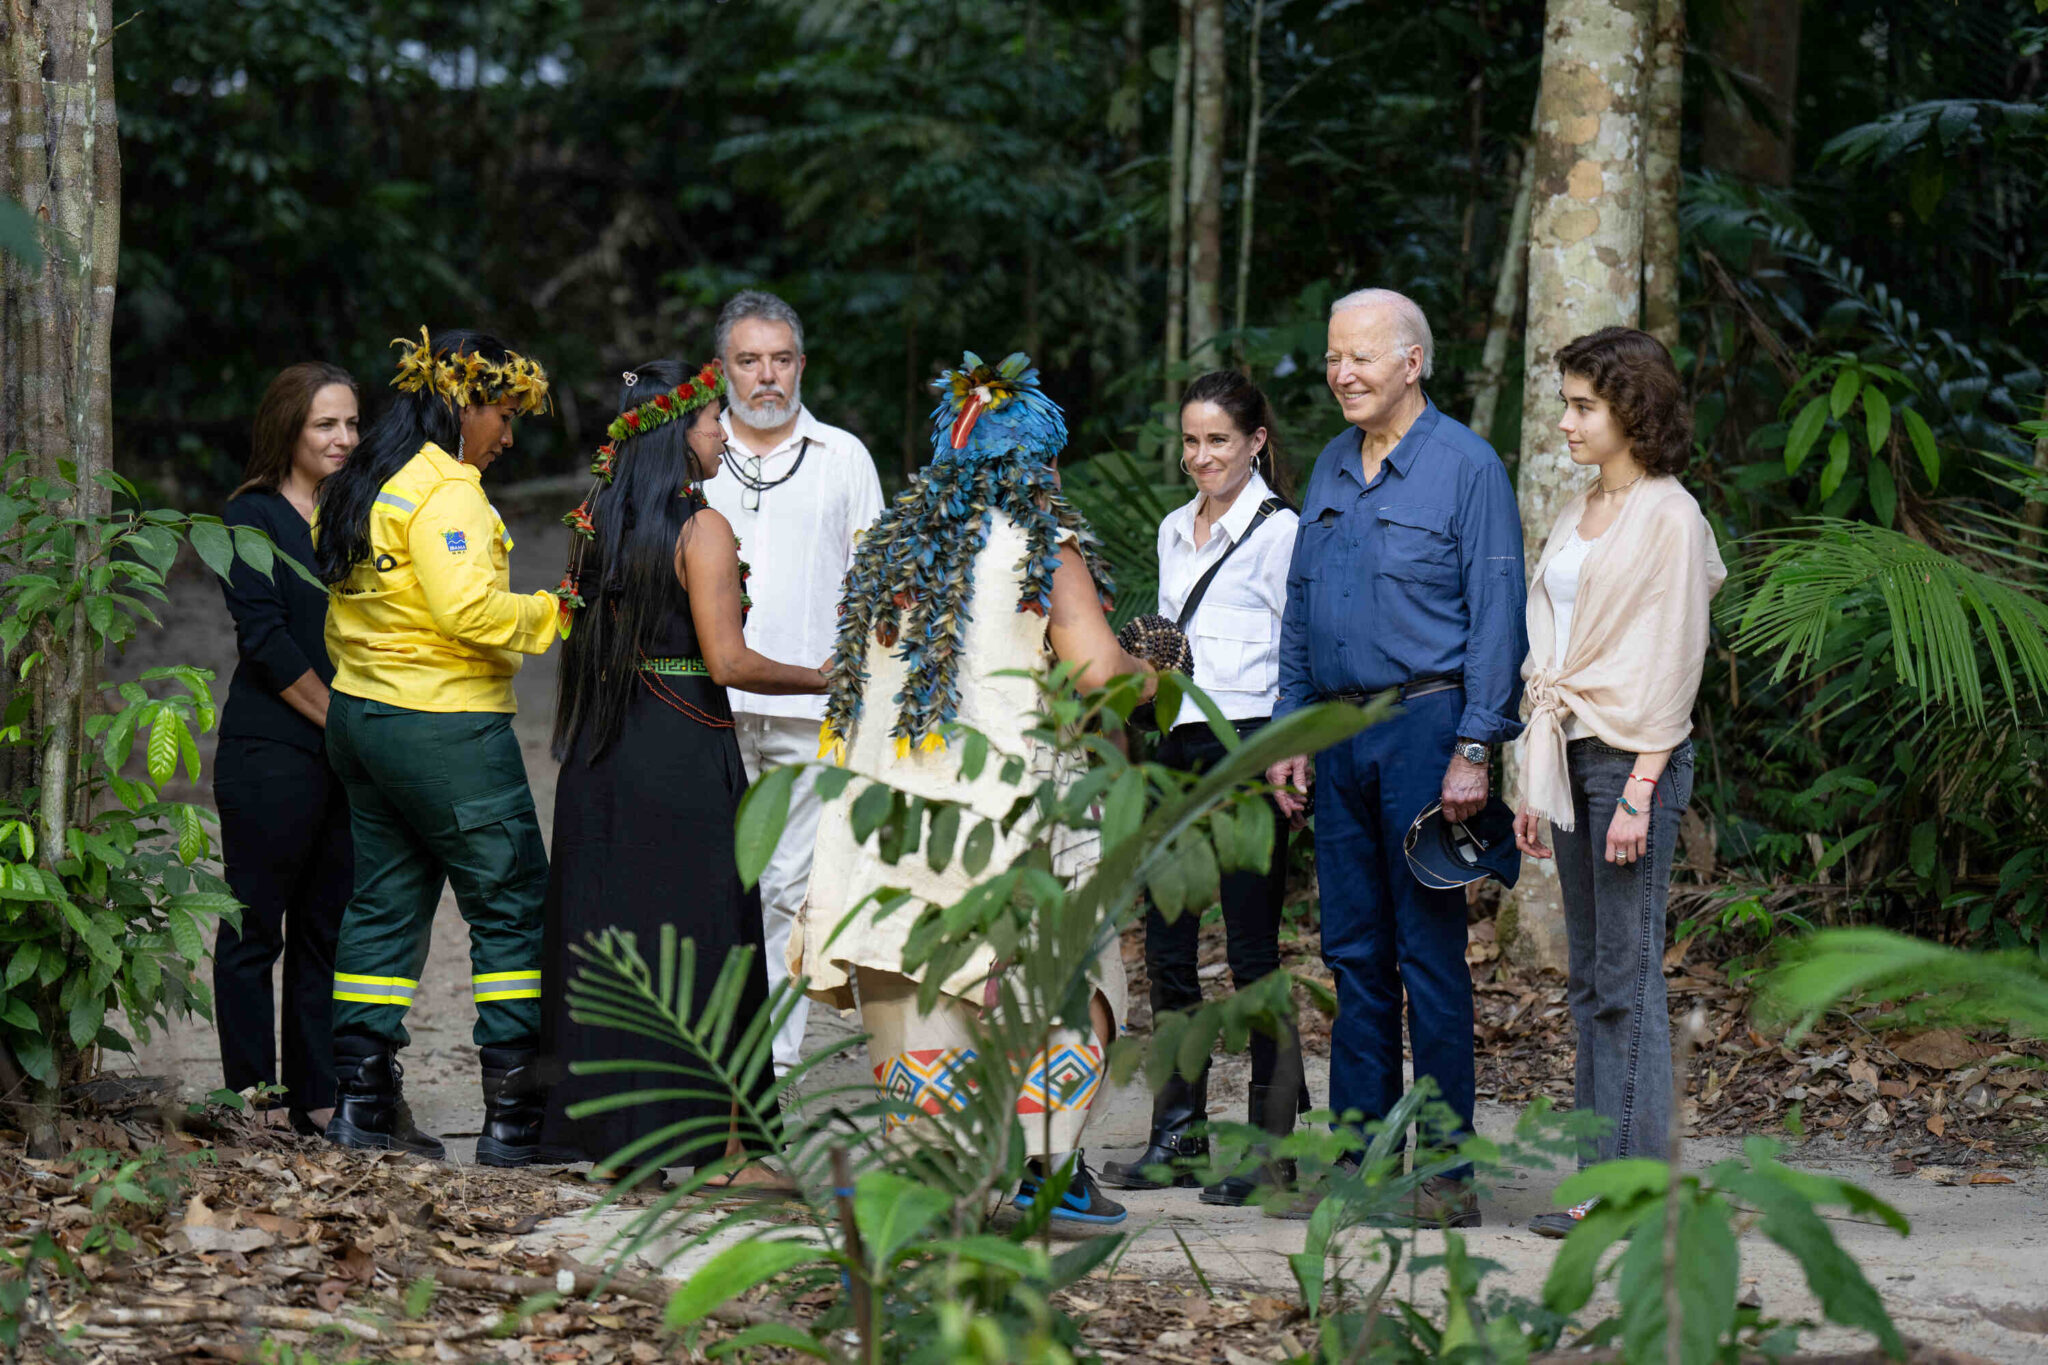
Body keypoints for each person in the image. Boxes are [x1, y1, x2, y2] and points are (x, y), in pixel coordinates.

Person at [798, 351, 1154, 1226]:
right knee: (1067, 982)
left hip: (886, 818)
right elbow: (1100, 673)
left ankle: (930, 1178)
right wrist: (1153, 665)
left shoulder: (888, 552)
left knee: (913, 977)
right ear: (1040, 464)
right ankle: (1051, 1173)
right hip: (1008, 815)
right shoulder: (1039, 541)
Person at [1264, 289, 1527, 1227]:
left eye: (1361, 358)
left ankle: (1446, 1170)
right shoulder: (1333, 463)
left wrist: (1474, 747)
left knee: (1429, 955)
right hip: (1335, 734)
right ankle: (1360, 1157)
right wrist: (1291, 731)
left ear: (1412, 362)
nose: (1342, 373)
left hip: (1428, 727)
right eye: (1334, 356)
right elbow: (1301, 608)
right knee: (1352, 952)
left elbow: (1499, 614)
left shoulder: (1467, 467)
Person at [539, 358, 828, 1183]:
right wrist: (825, 676)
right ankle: (727, 1151)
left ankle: (624, 1141)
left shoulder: (598, 517)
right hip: (681, 749)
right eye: (709, 421)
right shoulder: (702, 529)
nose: (723, 433)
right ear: (674, 434)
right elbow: (728, 659)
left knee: (616, 933)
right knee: (707, 937)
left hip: (603, 752)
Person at [312, 327, 562, 1164]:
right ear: (463, 400)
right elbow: (472, 612)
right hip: (445, 725)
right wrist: (554, 611)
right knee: (510, 901)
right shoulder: (448, 491)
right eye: (502, 412)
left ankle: (361, 1104)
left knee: (383, 901)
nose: (509, 434)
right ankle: (514, 1120)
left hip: (362, 719)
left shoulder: (370, 480)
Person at [1511, 327, 1724, 1237]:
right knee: (1592, 978)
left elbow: (1677, 657)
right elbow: (1551, 644)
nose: (1565, 421)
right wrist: (1534, 778)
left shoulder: (1670, 515)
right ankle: (1609, 1172)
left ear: (1631, 410)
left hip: (1634, 757)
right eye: (1565, 402)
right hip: (1569, 749)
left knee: (1628, 975)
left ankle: (1634, 1188)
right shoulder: (1577, 509)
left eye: (1582, 406)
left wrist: (1641, 786)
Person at [1100, 370, 1307, 1205]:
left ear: (1256, 441)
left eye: (1218, 439)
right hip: (1176, 745)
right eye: (1190, 440)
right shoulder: (1170, 529)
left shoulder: (1283, 530)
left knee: (1254, 954)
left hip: (1250, 744)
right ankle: (1177, 1137)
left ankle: (1271, 1150)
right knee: (1171, 947)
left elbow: (1301, 647)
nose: (1201, 456)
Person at [700, 291, 884, 1081]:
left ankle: (768, 1071)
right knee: (709, 884)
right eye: (749, 360)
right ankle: (701, 1059)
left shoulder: (843, 456)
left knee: (788, 893)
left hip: (813, 714)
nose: (767, 376)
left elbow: (878, 584)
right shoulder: (694, 454)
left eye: (781, 359)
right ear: (723, 370)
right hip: (707, 709)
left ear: (802, 365)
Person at [212, 362, 360, 1137]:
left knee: (324, 929)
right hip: (271, 751)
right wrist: (341, 720)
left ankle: (319, 1095)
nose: (344, 439)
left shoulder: (357, 513)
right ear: (288, 431)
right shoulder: (251, 517)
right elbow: (264, 640)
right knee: (253, 928)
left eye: (350, 423)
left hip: (345, 754)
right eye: (325, 425)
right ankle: (253, 1097)